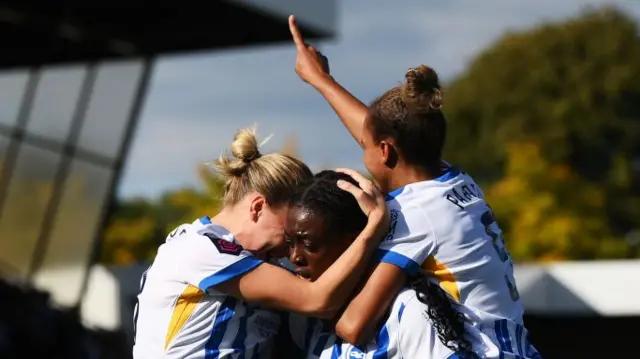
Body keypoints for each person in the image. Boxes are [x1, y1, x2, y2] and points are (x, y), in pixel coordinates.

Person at [287, 15, 541, 359]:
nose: (362, 148)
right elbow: (377, 131)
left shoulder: (411, 216)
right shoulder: (454, 181)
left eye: (365, 146)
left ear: (386, 151)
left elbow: (353, 326)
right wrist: (321, 80)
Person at [132, 127, 389, 359]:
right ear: (257, 208)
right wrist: (374, 226)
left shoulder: (251, 260)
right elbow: (317, 300)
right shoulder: (200, 249)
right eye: (288, 232)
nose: (290, 250)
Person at [277, 170, 500, 359]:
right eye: (289, 243)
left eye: (309, 244)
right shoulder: (303, 318)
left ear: (356, 241)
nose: (295, 257)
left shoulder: (411, 311)